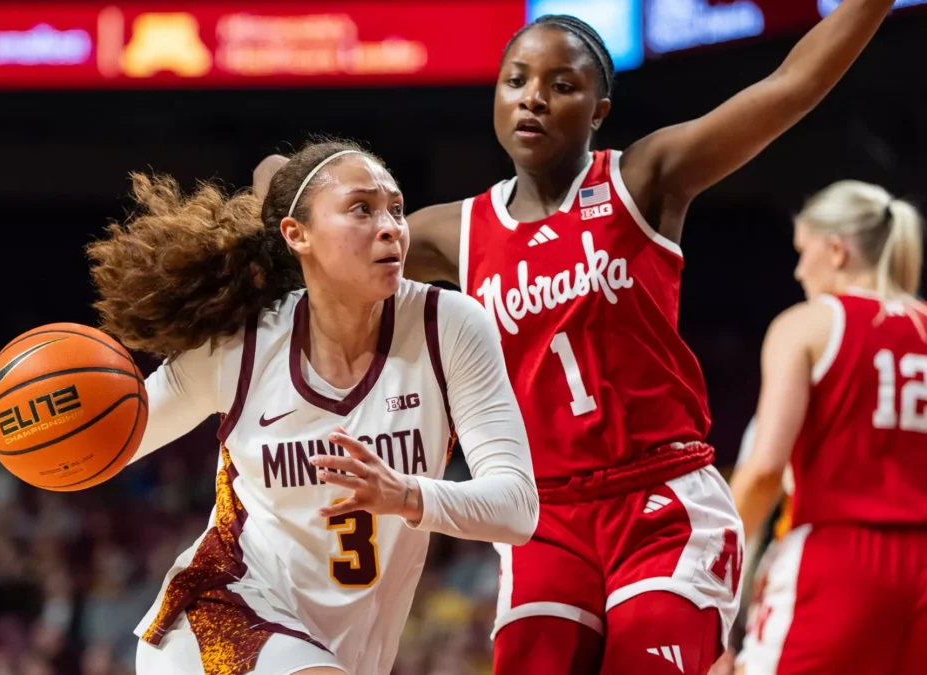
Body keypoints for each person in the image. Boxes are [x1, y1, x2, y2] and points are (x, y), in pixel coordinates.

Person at [255, 3, 900, 673]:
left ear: (599, 109)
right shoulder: (457, 231)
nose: (533, 96)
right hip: (547, 519)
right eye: (516, 80)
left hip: (659, 501)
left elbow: (789, 86)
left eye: (562, 84)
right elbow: (325, 233)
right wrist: (278, 180)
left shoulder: (643, 178)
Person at [0, 139, 539, 675]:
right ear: (298, 234)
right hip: (220, 618)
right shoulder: (242, 347)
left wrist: (405, 495)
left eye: (395, 208)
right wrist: (24, 423)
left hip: (345, 647)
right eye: (362, 210)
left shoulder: (451, 326)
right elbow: (114, 439)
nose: (391, 228)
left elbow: (517, 509)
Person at [731, 180, 927, 674]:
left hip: (837, 561)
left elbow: (764, 469)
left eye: (803, 252)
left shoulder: (808, 324)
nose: (798, 270)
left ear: (835, 250)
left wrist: (710, 560)